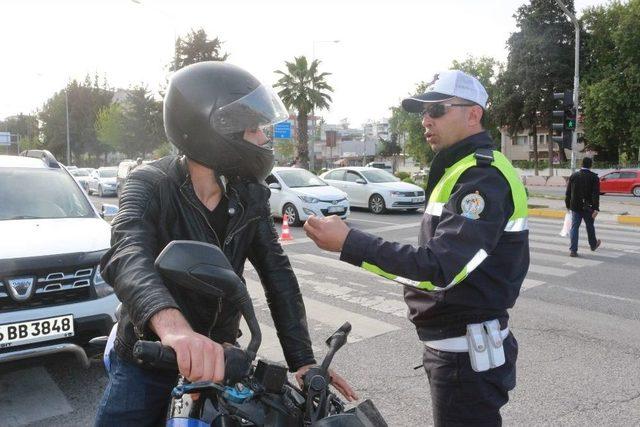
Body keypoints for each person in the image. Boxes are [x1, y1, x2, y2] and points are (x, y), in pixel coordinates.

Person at [95, 61, 356, 426]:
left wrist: (303, 362)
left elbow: (276, 271)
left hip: (219, 357)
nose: (264, 139)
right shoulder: (150, 183)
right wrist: (175, 330)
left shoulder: (249, 193)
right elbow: (126, 251)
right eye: (252, 129)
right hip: (149, 356)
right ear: (212, 128)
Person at [304, 70, 529, 426]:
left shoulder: (482, 178)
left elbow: (440, 269)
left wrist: (349, 242)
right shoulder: (461, 170)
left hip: (464, 358)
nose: (426, 119)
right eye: (422, 111)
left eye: (437, 109)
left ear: (474, 114)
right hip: (458, 351)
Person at [565, 157, 601, 257]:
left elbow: (568, 193)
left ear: (581, 164)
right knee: (590, 226)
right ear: (591, 165)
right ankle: (593, 245)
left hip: (575, 206)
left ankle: (573, 250)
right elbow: (595, 194)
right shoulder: (594, 177)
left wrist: (568, 205)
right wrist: (596, 208)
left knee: (574, 227)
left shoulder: (574, 176)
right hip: (588, 207)